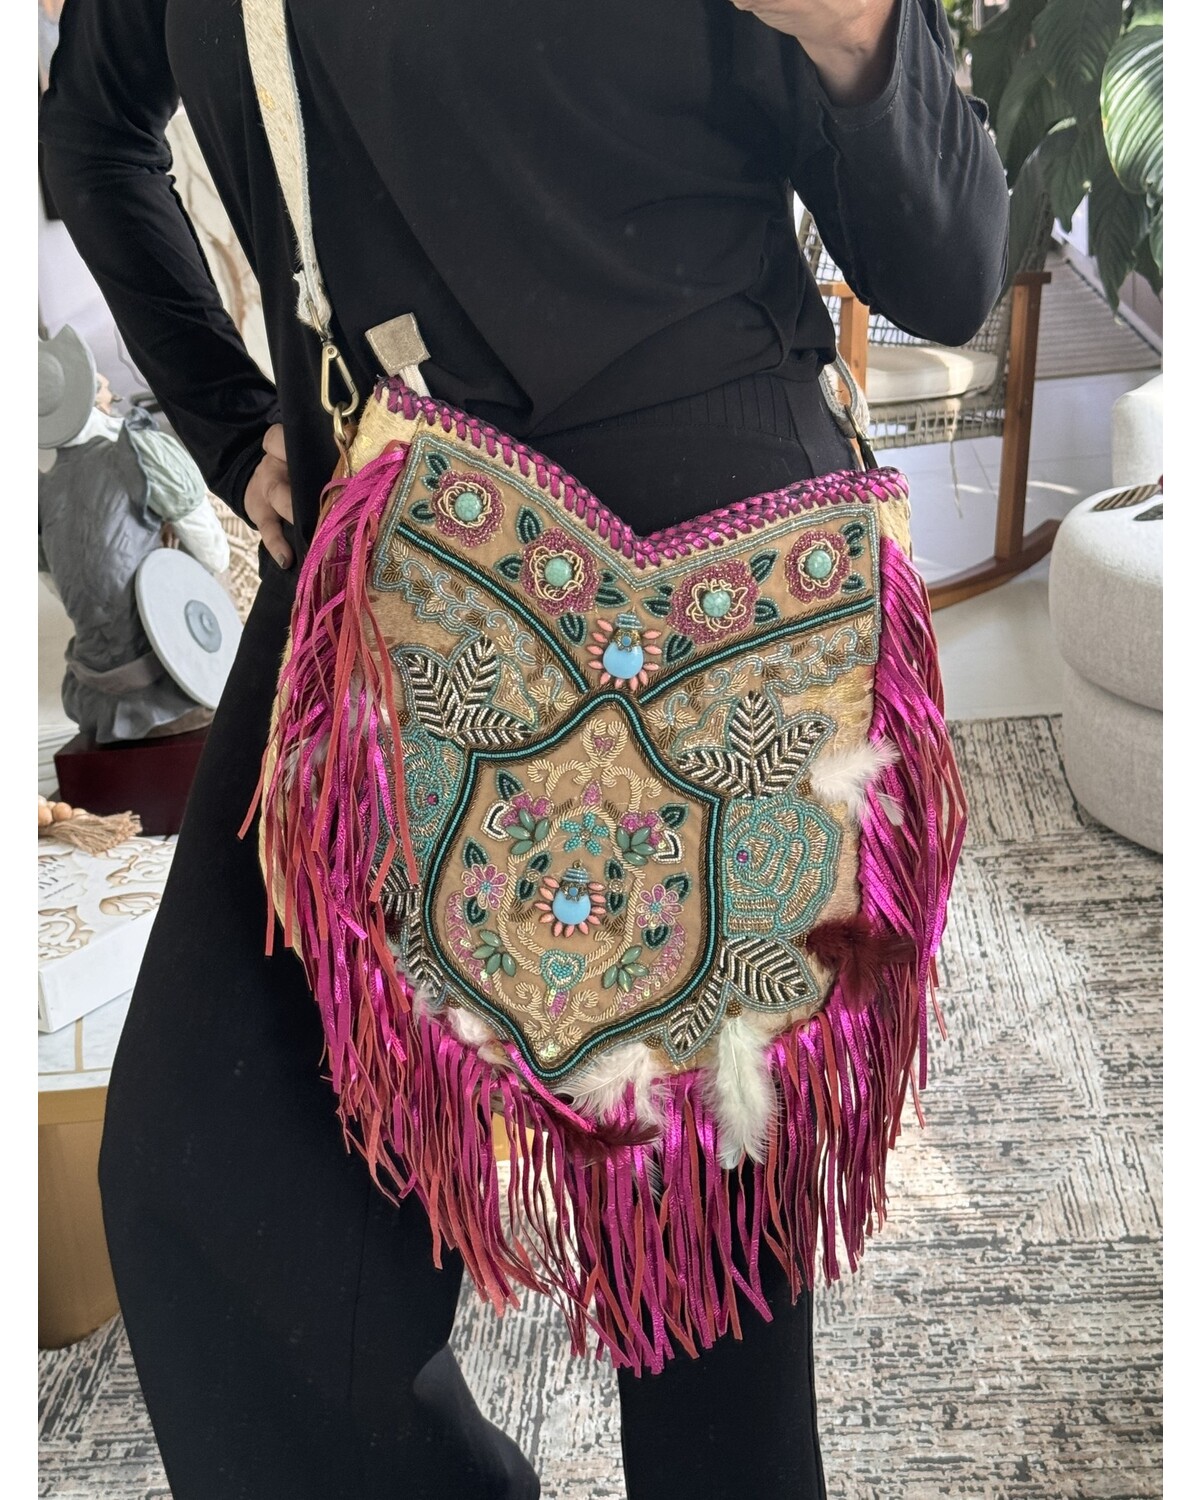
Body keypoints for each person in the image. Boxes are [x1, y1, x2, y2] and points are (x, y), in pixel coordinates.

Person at [39, 1, 1008, 1495]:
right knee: (206, 1194)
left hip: (716, 607)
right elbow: (95, 130)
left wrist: (857, 35)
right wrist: (236, 431)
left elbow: (951, 266)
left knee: (700, 1321)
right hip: (383, 569)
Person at [38, 323, 229, 742]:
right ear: (92, 397)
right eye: (105, 388)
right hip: (169, 678)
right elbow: (216, 555)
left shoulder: (38, 492)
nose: (112, 391)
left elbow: (65, 588)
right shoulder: (141, 450)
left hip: (93, 690)